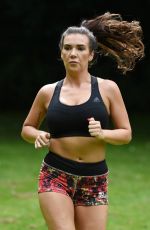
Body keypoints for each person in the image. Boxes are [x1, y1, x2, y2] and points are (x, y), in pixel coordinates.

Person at [21, 12, 144, 230]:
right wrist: (37, 134)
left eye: (80, 48)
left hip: (94, 179)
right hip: (55, 174)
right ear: (61, 53)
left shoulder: (107, 89)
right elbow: (27, 128)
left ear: (91, 55)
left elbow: (126, 134)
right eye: (67, 48)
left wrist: (103, 133)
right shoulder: (48, 92)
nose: (73, 53)